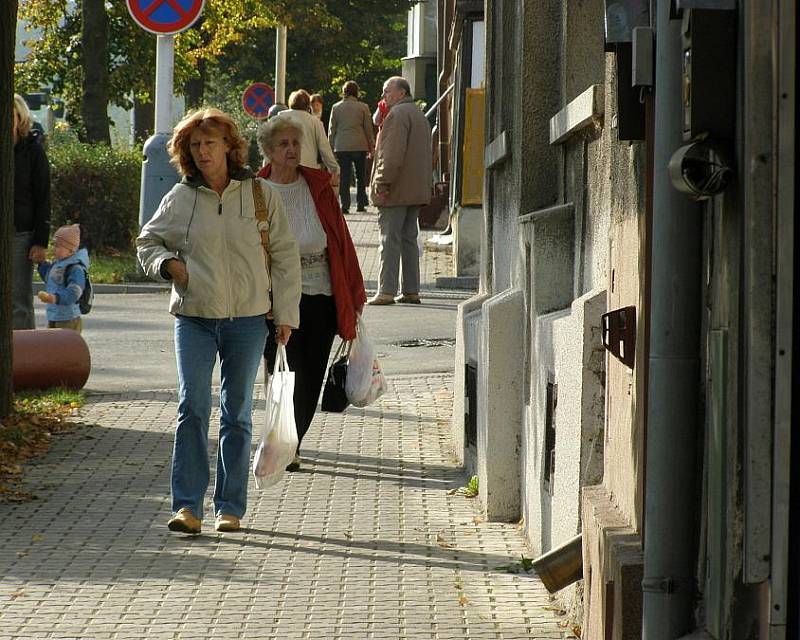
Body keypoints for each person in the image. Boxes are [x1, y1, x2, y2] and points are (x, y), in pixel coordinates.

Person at [137, 107, 302, 535]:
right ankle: (187, 507)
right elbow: (148, 240)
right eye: (195, 145)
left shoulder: (262, 195)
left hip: (248, 319)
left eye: (210, 143)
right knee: (192, 406)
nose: (203, 151)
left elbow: (285, 258)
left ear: (230, 146)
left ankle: (229, 507)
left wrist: (284, 313)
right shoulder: (181, 197)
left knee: (237, 413)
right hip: (194, 317)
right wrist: (168, 263)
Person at [256, 117, 366, 471]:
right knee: (282, 371)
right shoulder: (255, 191)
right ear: (269, 151)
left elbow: (340, 241)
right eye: (283, 144)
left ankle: (293, 444)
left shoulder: (316, 185)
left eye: (295, 143)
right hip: (274, 297)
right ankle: (279, 438)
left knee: (311, 374)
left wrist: (352, 292)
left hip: (321, 292)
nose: (291, 149)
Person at [368, 77, 432, 306]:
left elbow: (391, 154)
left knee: (389, 239)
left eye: (387, 92)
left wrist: (382, 181)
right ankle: (411, 290)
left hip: (396, 189)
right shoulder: (419, 115)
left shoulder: (397, 115)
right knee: (408, 239)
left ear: (401, 93)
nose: (384, 96)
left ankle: (386, 290)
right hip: (415, 188)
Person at [12, 93, 51, 329]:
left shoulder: (33, 152)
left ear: (20, 117)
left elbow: (43, 197)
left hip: (20, 234)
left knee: (19, 300)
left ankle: (20, 357)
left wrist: (40, 240)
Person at [275, 89, 340, 187]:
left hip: (284, 166)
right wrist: (334, 168)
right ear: (308, 105)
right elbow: (324, 148)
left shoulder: (280, 117)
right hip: (308, 169)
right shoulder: (315, 122)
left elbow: (272, 143)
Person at [328, 81, 375, 214]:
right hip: (360, 145)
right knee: (360, 175)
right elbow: (368, 129)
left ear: (344, 92)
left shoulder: (336, 107)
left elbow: (332, 130)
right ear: (356, 92)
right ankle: (361, 203)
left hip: (341, 146)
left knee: (344, 177)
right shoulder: (363, 107)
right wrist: (371, 146)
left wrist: (330, 148)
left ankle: (345, 205)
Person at [35, 224, 89, 333]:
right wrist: (41, 263)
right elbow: (50, 278)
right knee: (53, 346)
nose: (54, 249)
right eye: (54, 245)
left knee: (66, 347)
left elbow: (75, 292)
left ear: (71, 250)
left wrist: (56, 298)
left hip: (68, 318)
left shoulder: (75, 268)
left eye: (58, 246)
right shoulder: (59, 264)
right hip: (54, 315)